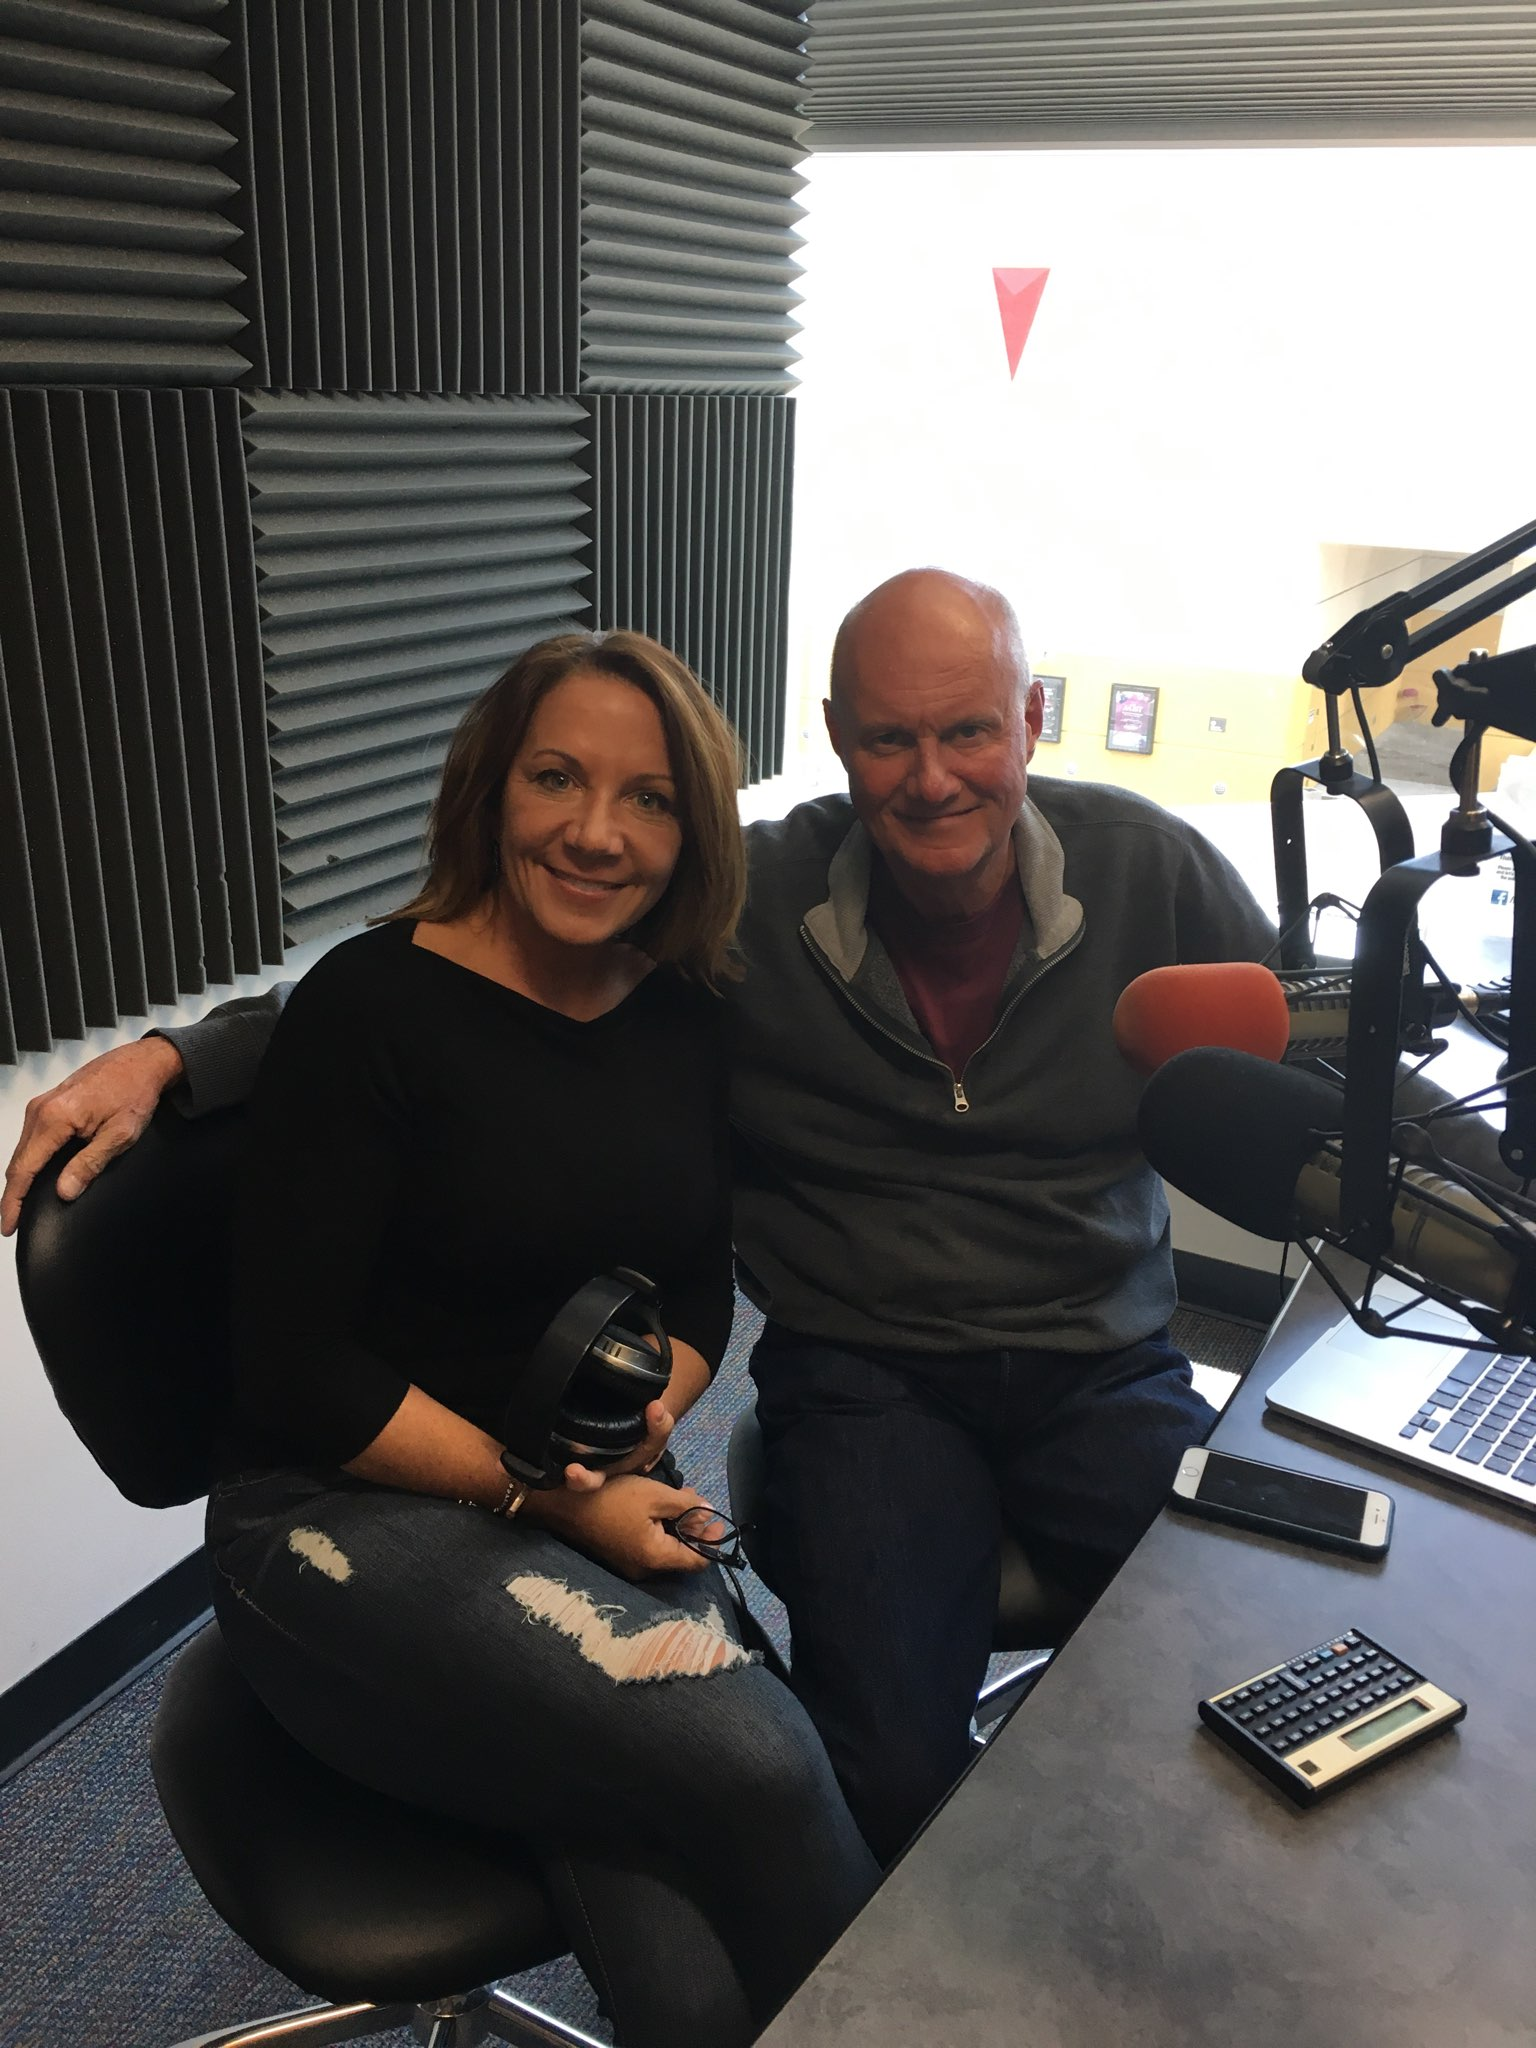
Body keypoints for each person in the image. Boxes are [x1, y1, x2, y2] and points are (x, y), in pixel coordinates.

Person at [5, 571, 1277, 1866]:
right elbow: (416, 993)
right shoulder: (755, 898)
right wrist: (176, 1053)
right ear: (838, 737)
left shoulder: (1148, 869)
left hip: (1100, 1362)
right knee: (862, 1767)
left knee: (1262, 1648)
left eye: (970, 731)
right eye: (891, 737)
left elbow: (1308, 1033)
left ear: (1030, 721)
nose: (933, 777)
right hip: (867, 1375)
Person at [15, 629, 880, 2048]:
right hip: (336, 1519)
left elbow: (695, 1287)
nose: (595, 832)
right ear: (491, 788)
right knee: (759, 1756)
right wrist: (561, 1501)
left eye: (649, 798)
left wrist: (642, 1421)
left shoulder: (681, 1011)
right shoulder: (371, 1008)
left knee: (690, 1976)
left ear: (692, 831)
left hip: (576, 1487)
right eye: (557, 778)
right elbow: (297, 1376)